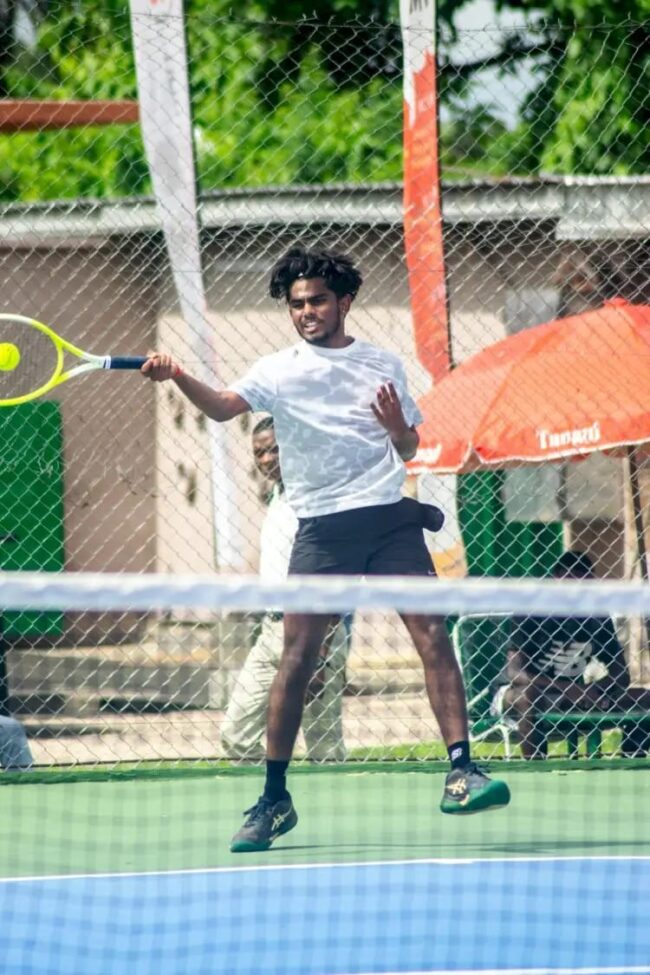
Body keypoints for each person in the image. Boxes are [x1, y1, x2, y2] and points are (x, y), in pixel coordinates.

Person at [142, 244, 510, 853]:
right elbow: (224, 408)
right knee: (296, 659)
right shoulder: (278, 370)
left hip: (389, 521)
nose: (306, 312)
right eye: (297, 304)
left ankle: (462, 772)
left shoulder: (381, 363)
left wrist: (397, 429)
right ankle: (274, 798)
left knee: (432, 635)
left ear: (344, 302)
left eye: (316, 301)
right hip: (321, 530)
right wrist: (178, 375)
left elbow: (410, 448)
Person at [221, 416, 350, 763]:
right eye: (259, 452)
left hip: (314, 631)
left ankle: (329, 795)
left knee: (323, 747)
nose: (266, 459)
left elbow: (332, 575)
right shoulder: (278, 495)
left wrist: (321, 654)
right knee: (235, 737)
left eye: (274, 449)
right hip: (271, 631)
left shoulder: (317, 498)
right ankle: (273, 791)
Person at [494, 550, 650, 759]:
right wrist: (570, 689)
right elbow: (515, 674)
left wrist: (594, 690)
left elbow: (621, 674)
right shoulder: (531, 611)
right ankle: (535, 764)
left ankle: (631, 759)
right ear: (556, 580)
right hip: (526, 694)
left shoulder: (596, 615)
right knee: (527, 696)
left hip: (579, 696)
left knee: (644, 697)